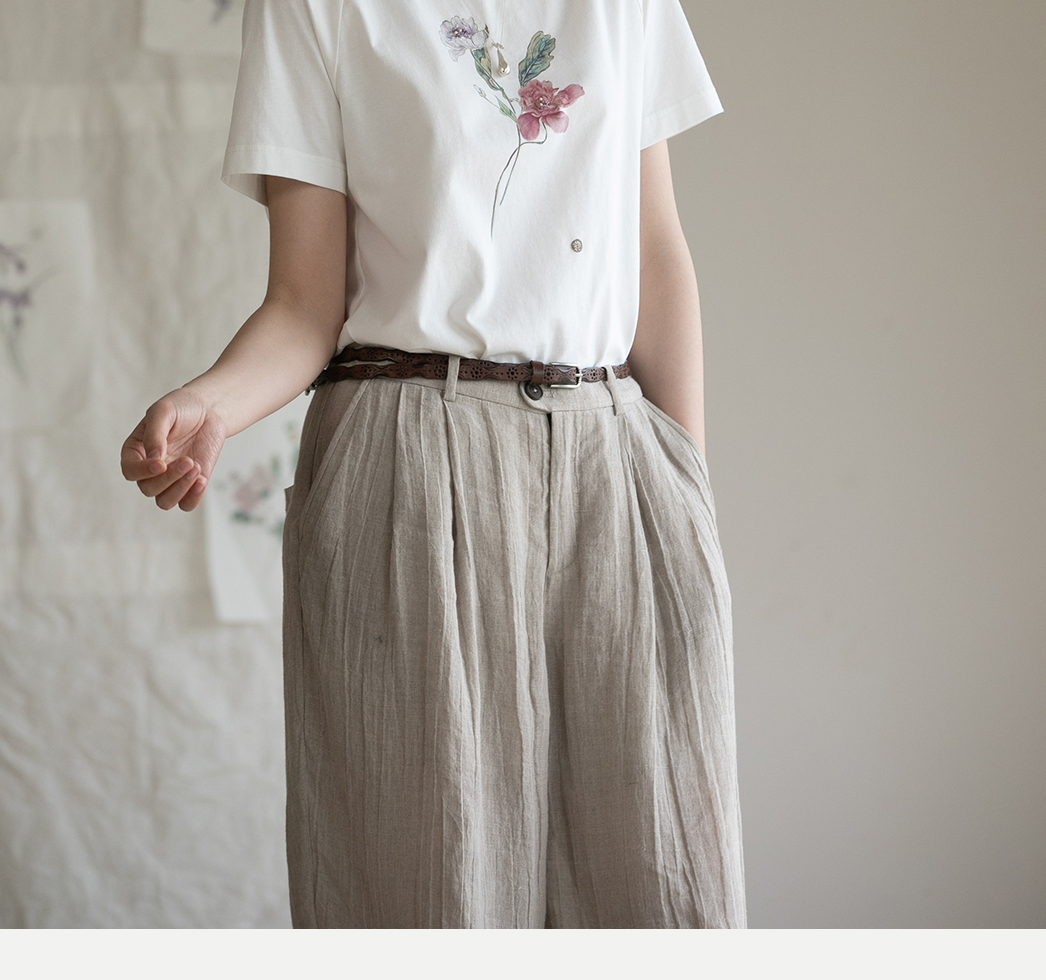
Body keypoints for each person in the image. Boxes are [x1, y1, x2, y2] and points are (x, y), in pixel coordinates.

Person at [120, 0, 745, 929]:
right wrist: (210, 404)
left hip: (616, 457)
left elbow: (657, 251)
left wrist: (682, 486)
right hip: (408, 461)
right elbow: (303, 303)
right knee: (428, 886)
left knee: (661, 882)